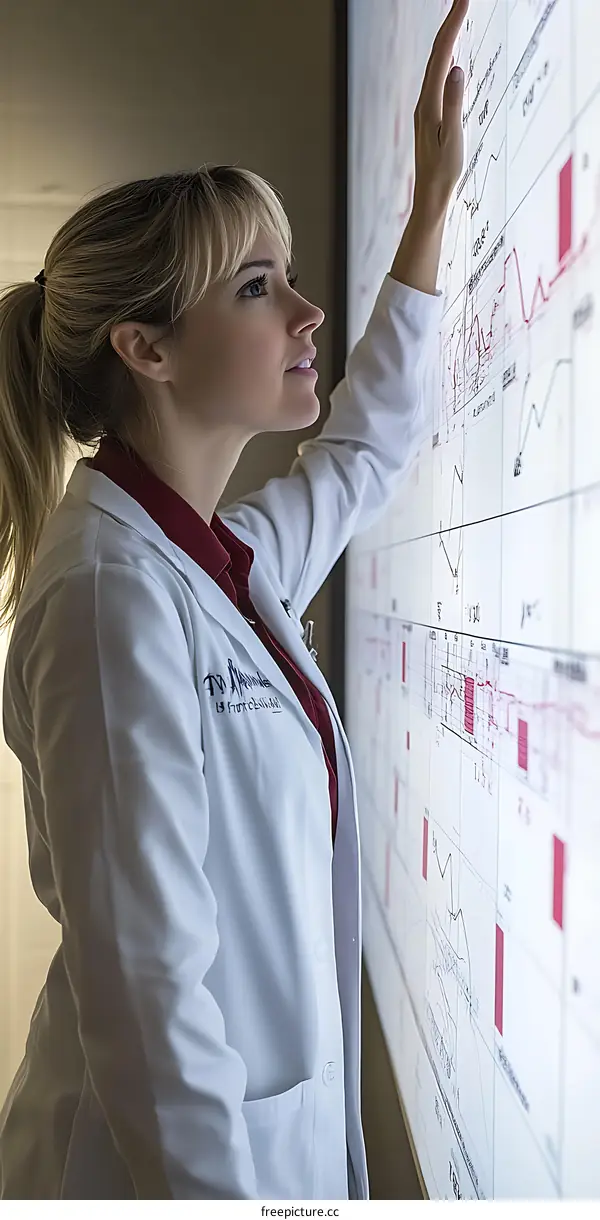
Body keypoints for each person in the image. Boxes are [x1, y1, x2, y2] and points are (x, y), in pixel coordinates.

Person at [0, 0, 469, 1201]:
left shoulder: (217, 560)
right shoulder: (108, 599)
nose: (308, 314)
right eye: (260, 286)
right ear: (147, 348)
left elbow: (363, 454)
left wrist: (429, 211)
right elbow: (152, 1009)